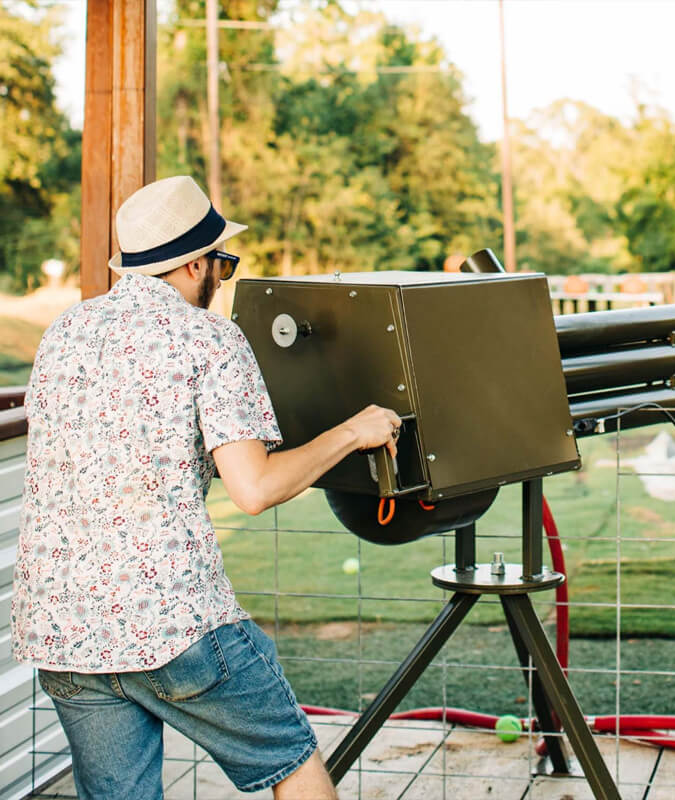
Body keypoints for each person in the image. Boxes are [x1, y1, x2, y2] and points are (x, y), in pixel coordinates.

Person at [11, 175, 401, 800]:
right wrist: (354, 431)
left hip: (64, 628)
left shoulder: (66, 331)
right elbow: (254, 488)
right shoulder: (210, 339)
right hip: (173, 624)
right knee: (291, 761)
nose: (222, 275)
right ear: (196, 263)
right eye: (223, 261)